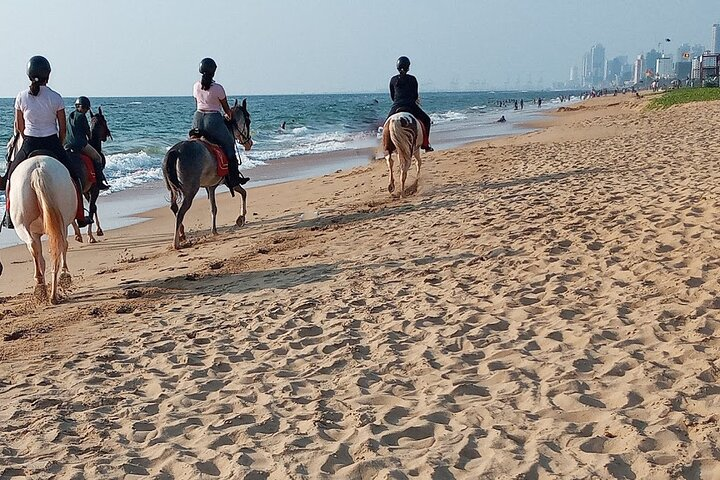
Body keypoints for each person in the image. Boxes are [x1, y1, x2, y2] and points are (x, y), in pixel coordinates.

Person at [1, 56, 93, 228]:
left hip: (29, 143)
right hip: (52, 143)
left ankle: (8, 215)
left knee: (10, 178)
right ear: (48, 76)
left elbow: (19, 127)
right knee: (75, 178)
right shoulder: (56, 97)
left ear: (29, 75)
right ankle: (80, 216)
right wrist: (58, 143)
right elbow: (63, 128)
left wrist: (28, 137)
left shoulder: (21, 97)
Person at [192, 57, 248, 188]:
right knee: (229, 145)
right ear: (214, 72)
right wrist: (229, 116)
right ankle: (234, 179)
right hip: (213, 120)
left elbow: (199, 102)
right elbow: (227, 109)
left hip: (197, 119)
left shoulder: (195, 86)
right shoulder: (218, 88)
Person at [387, 56, 433, 152]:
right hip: (410, 106)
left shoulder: (393, 80)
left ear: (397, 67)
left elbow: (392, 97)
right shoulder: (412, 79)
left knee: (386, 125)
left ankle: (387, 146)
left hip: (396, 106)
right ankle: (426, 145)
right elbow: (415, 96)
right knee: (427, 120)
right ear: (408, 67)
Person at [65, 96, 110, 190]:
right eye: (86, 108)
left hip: (67, 145)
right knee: (97, 157)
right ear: (83, 107)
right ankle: (99, 182)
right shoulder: (82, 116)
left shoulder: (70, 115)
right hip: (80, 144)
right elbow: (88, 133)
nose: (86, 110)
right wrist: (90, 137)